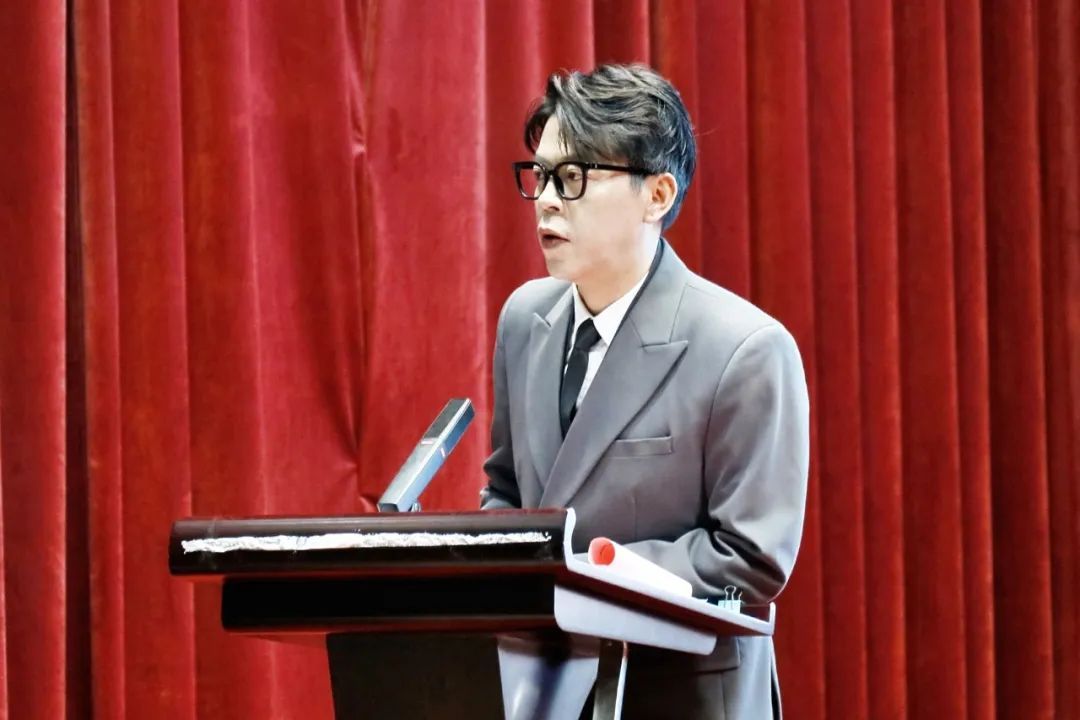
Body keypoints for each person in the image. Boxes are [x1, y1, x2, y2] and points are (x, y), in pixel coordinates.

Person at [481, 63, 809, 720]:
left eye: (573, 177)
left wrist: (581, 574)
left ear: (657, 195)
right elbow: (506, 492)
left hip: (679, 690)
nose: (547, 200)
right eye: (540, 176)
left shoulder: (745, 348)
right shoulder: (525, 320)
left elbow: (749, 556)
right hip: (544, 686)